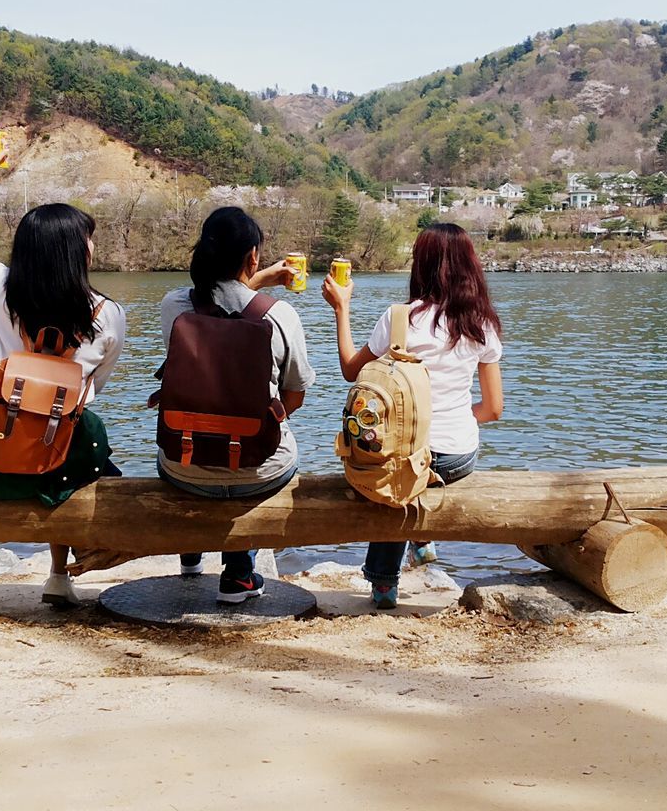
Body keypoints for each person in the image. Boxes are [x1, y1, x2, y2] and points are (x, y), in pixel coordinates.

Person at [0, 140, 126, 608]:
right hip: (67, 448)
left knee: (11, 411)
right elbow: (95, 387)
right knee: (75, 427)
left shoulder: (0, 289)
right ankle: (59, 572)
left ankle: (54, 569)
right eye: (88, 240)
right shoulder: (108, 315)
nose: (92, 246)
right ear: (77, 253)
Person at [322, 222, 503, 610]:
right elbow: (492, 410)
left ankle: (384, 584)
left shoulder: (400, 318)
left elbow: (351, 371)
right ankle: (420, 545)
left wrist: (342, 308)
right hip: (456, 458)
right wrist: (453, 414)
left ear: (420, 265)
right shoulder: (482, 324)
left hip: (405, 459)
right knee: (415, 466)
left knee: (394, 467)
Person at [156, 207, 314, 603]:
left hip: (184, 464)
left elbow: (216, 304)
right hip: (260, 470)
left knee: (196, 426)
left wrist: (256, 279)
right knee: (268, 445)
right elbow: (295, 394)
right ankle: (239, 574)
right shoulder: (281, 315)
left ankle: (191, 556)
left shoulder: (173, 308)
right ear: (253, 257)